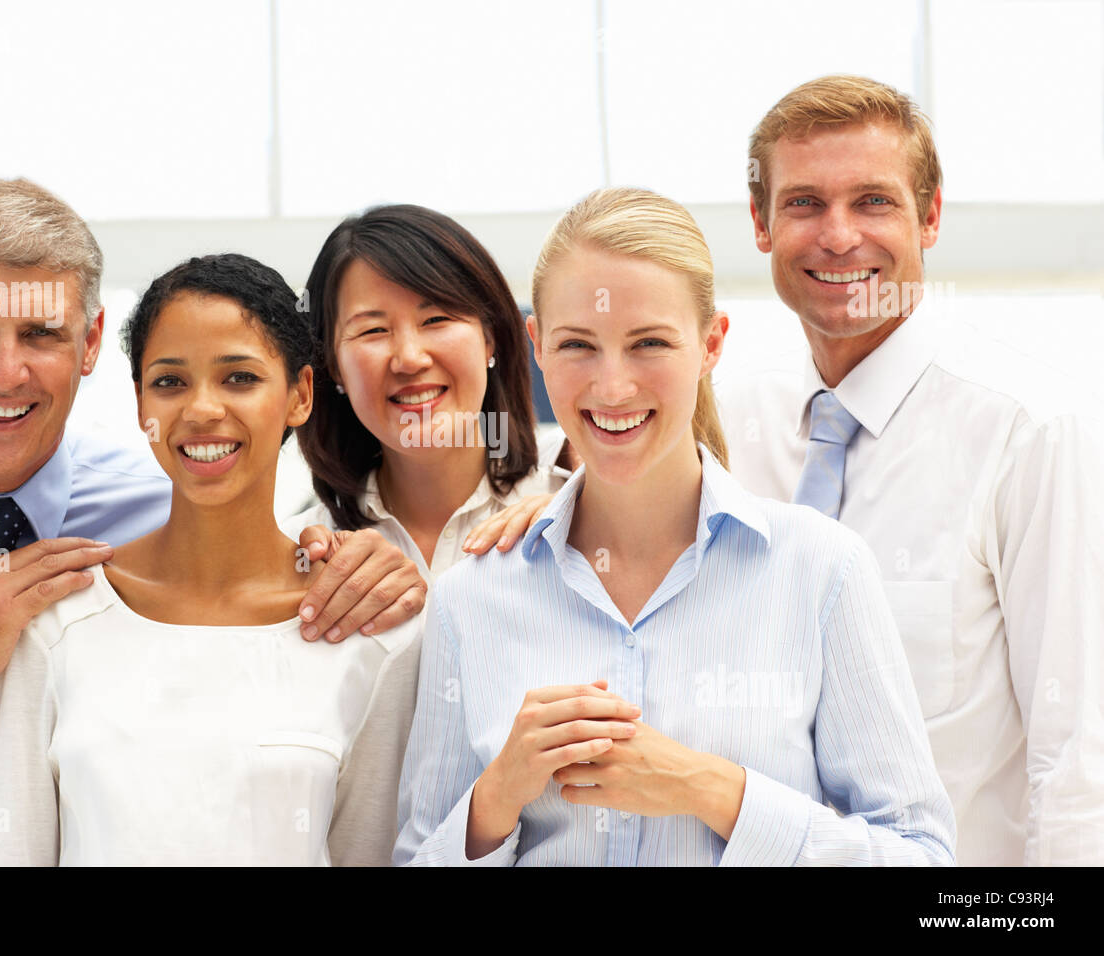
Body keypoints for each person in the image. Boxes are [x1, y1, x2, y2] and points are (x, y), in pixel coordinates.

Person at [468, 75, 1104, 867]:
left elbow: (1078, 753)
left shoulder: (1029, 430)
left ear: (930, 217)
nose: (838, 237)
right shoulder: (729, 410)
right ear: (762, 225)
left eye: (873, 201)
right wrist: (545, 506)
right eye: (804, 203)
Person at [0, 178, 426, 866]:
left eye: (40, 334)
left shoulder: (164, 494)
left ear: (92, 340)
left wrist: (381, 560)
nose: (7, 373)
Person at [394, 186, 955, 866]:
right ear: (537, 346)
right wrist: (496, 798)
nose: (612, 388)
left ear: (711, 343)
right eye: (579, 345)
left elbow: (922, 857)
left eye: (649, 343)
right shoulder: (471, 598)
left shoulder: (819, 572)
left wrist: (712, 789)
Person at [0, 253, 419, 866]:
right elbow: (8, 852)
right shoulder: (56, 620)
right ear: (140, 405)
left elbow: (373, 854)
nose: (202, 409)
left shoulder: (367, 630)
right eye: (170, 381)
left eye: (239, 377)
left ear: (300, 395)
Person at [289, 204, 570, 581]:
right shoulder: (307, 555)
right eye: (373, 330)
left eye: (436, 319)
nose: (409, 358)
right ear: (333, 365)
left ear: (490, 338)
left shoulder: (577, 499)